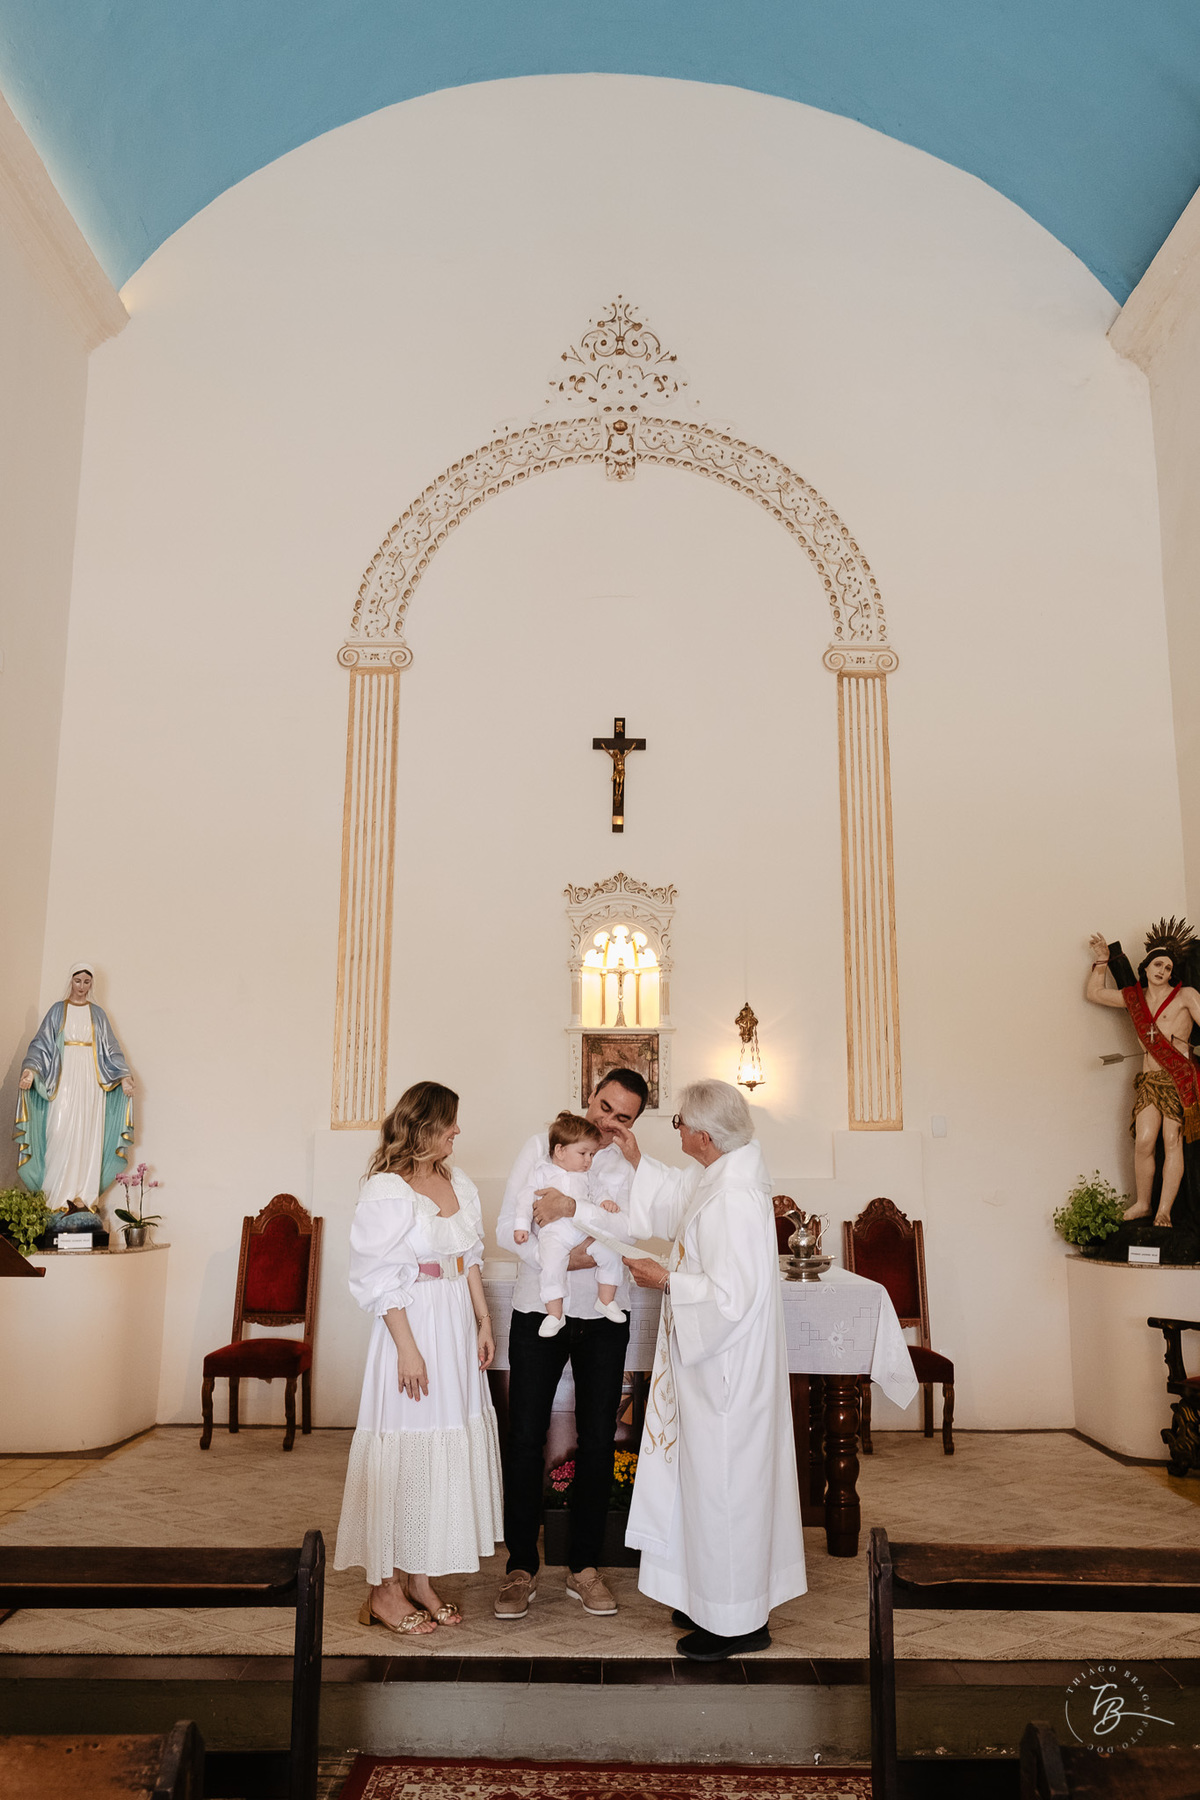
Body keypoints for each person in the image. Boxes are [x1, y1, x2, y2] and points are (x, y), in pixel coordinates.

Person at [535, 1078, 805, 1662]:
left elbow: (733, 1298)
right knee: (705, 1486)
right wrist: (637, 1158)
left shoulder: (734, 1197)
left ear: (704, 1135)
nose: (676, 1130)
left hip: (726, 1373)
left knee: (725, 1489)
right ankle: (710, 1599)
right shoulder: (721, 1175)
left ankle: (736, 1623)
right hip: (712, 1367)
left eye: (680, 1123)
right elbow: (679, 1195)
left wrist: (665, 1279)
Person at [334, 1081, 503, 1635]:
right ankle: (384, 1589)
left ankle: (419, 1579)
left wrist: (482, 1320)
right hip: (413, 1325)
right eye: (450, 1121)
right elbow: (377, 1278)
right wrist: (407, 1349)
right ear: (425, 1126)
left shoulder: (459, 1183)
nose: (458, 1130)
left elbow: (469, 1257)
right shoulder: (387, 1189)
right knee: (406, 1451)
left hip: (454, 1325)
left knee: (442, 1447)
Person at [493, 1068, 647, 1621]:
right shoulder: (542, 1146)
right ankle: (520, 1566)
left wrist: (581, 1236)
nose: (608, 1122)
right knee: (525, 1436)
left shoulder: (629, 1165)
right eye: (604, 1107)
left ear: (634, 1122)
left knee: (600, 1438)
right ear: (590, 1096)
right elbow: (506, 1228)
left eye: (622, 1117)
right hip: (539, 1308)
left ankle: (584, 1566)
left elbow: (631, 1231)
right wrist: (565, 1258)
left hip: (603, 1315)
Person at [1088, 923, 1200, 1226]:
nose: (1162, 970)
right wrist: (1101, 961)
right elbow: (1095, 993)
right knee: (1144, 1140)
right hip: (1149, 1080)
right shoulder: (1133, 998)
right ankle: (1143, 1203)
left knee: (1171, 1139)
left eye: (1168, 967)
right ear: (1146, 967)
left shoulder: (1186, 995)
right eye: (1158, 964)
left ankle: (1164, 1210)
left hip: (1177, 1078)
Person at [15, 963, 134, 1216]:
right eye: (78, 980)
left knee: (88, 1134)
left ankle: (83, 1199)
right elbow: (41, 1045)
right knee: (58, 1131)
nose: (82, 986)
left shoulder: (98, 1014)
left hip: (91, 1081)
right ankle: (55, 1199)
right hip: (63, 1076)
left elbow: (111, 1049)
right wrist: (31, 1071)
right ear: (71, 980)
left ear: (92, 984)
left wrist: (124, 1076)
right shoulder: (58, 1010)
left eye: (87, 982)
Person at [512, 1111, 627, 1339]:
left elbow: (599, 1192)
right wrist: (521, 1225)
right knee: (552, 1265)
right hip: (555, 1233)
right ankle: (555, 1314)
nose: (588, 1160)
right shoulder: (542, 1171)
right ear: (560, 1151)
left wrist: (605, 1201)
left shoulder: (587, 1176)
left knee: (610, 1252)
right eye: (583, 1153)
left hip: (584, 1232)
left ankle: (606, 1300)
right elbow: (525, 1198)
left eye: (591, 1154)